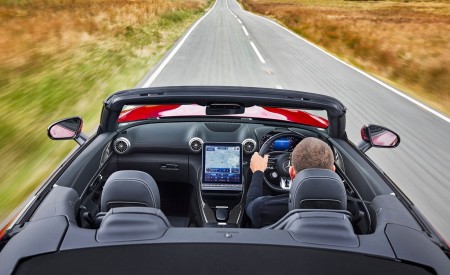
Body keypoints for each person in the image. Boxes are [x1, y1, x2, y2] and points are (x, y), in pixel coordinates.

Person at [246, 137, 335, 227]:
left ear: (291, 173)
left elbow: (250, 204)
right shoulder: (348, 206)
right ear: (333, 170)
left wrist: (258, 171)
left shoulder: (264, 209)